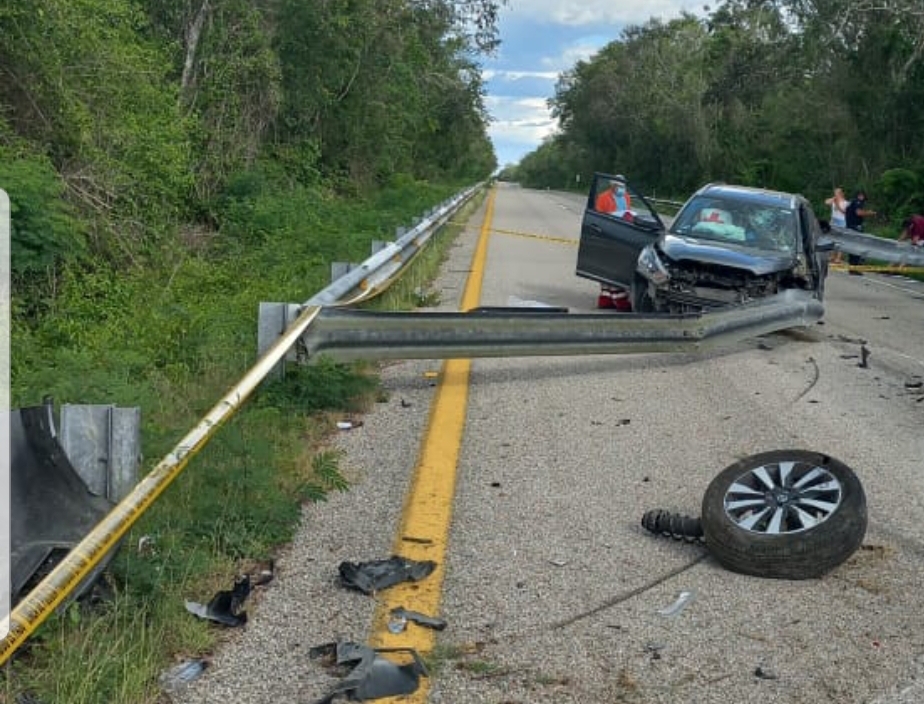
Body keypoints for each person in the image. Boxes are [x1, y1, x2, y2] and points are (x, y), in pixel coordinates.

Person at [844, 190, 876, 275]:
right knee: (857, 248)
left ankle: (852, 268)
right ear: (861, 196)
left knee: (852, 248)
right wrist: (869, 213)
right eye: (864, 198)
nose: (863, 201)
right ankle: (855, 268)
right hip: (855, 227)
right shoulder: (858, 202)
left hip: (849, 226)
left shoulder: (850, 202)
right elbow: (858, 213)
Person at [825, 187, 847, 263]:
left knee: (840, 240)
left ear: (841, 194)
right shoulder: (834, 201)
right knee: (832, 238)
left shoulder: (845, 202)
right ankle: (832, 256)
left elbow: (844, 212)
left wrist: (837, 204)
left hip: (841, 221)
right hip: (833, 219)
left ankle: (838, 258)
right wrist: (833, 199)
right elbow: (826, 202)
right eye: (835, 193)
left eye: (837, 193)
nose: (835, 194)